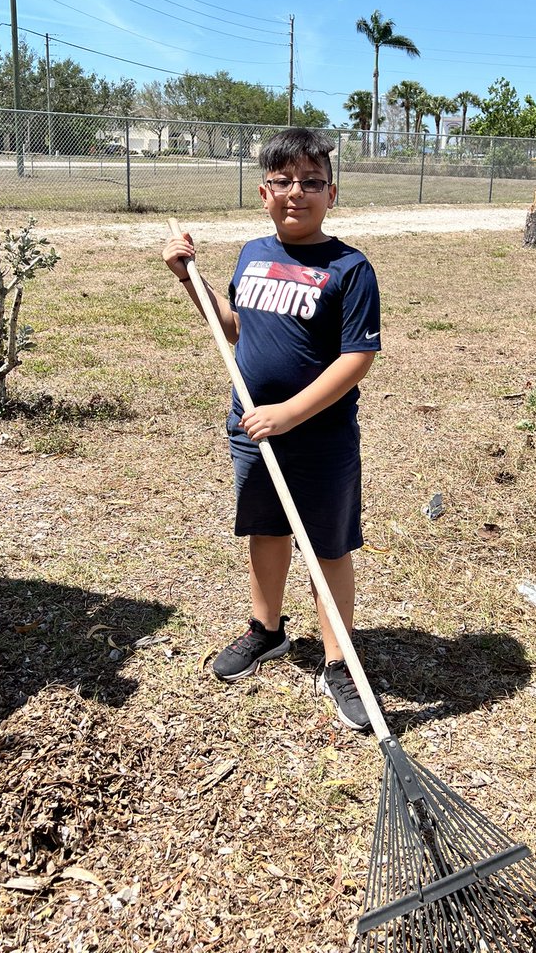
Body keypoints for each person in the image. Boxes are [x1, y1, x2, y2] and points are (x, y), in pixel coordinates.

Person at [162, 128, 381, 732]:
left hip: (319, 436)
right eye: (283, 182)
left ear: (331, 194)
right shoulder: (253, 254)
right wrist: (189, 277)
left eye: (311, 182)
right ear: (263, 192)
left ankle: (339, 662)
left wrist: (288, 414)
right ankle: (267, 630)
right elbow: (232, 326)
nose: (296, 193)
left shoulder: (350, 269)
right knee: (266, 528)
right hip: (251, 429)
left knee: (328, 547)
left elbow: (355, 359)